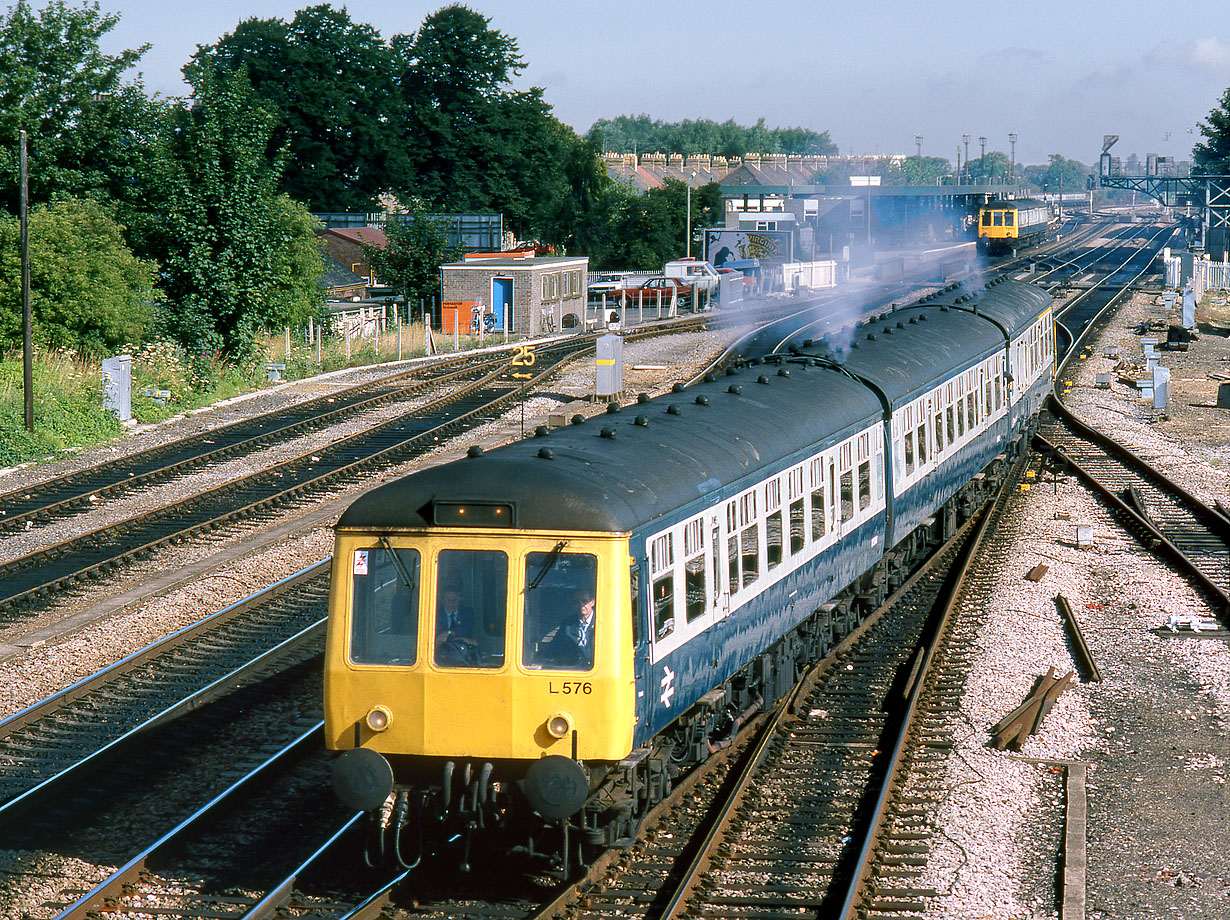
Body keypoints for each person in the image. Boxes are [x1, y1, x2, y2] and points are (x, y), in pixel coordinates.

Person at [546, 589, 596, 669]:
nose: (581, 605)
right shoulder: (567, 623)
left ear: (592, 602)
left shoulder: (601, 622)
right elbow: (557, 646)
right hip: (573, 669)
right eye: (577, 602)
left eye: (584, 601)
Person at [435, 584, 479, 666]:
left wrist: (448, 633)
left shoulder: (468, 614)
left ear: (459, 601)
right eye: (448, 600)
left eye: (454, 599)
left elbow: (467, 631)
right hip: (440, 658)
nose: (451, 603)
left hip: (464, 657)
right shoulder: (435, 615)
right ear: (442, 601)